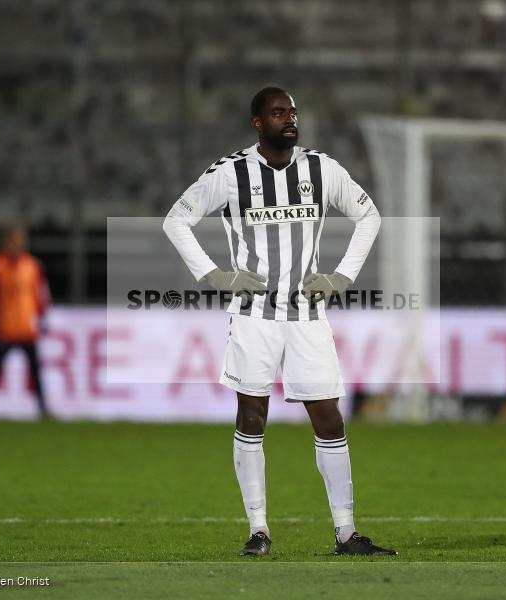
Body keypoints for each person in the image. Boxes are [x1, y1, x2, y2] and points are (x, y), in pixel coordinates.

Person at [163, 87, 395, 556]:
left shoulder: (321, 168)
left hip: (308, 316)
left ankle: (347, 534)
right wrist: (216, 275)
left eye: (292, 111)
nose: (289, 119)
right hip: (254, 316)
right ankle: (259, 529)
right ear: (257, 122)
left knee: (328, 418)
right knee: (252, 416)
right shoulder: (230, 173)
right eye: (277, 112)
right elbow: (176, 220)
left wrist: (341, 276)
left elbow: (368, 215)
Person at [0, 225, 51, 419]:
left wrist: (42, 317)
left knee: (36, 372)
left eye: (21, 239)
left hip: (27, 328)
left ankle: (43, 410)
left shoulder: (32, 266)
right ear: (6, 241)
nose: (19, 243)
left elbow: (41, 294)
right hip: (6, 328)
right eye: (15, 239)